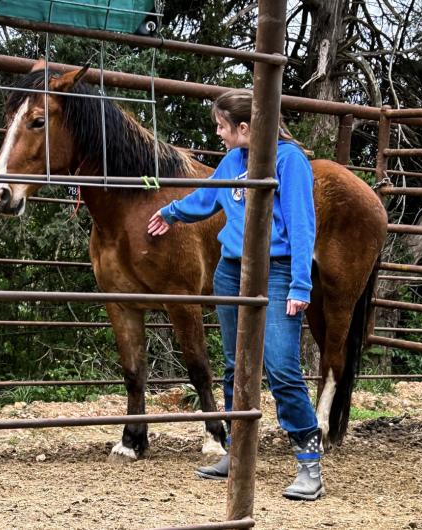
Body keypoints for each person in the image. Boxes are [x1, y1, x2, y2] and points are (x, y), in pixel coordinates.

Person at [147, 89, 325, 501]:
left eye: (222, 126)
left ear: (244, 128)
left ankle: (309, 464)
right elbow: (207, 199)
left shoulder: (289, 162)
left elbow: (302, 225)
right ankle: (235, 452)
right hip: (231, 272)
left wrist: (301, 283)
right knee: (234, 365)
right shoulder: (233, 161)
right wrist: (170, 213)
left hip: (277, 273)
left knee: (281, 367)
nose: (218, 133)